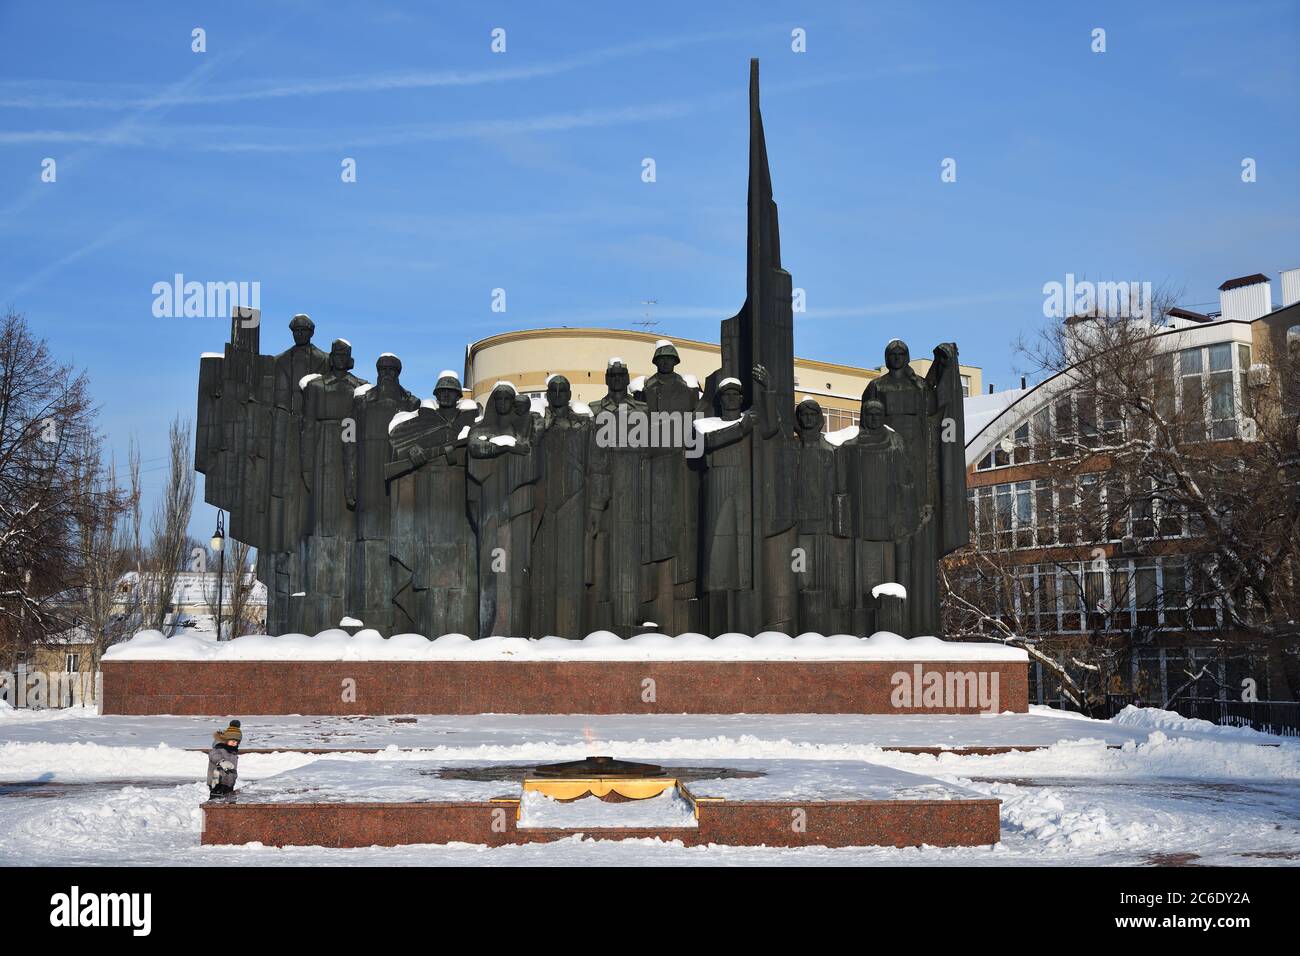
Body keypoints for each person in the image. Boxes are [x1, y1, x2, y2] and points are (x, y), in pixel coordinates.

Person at [206, 720, 242, 800]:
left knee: (228, 801)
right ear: (226, 740)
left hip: (229, 783)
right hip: (217, 782)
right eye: (232, 741)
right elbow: (213, 755)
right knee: (216, 801)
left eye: (236, 742)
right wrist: (221, 761)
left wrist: (234, 776)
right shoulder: (219, 748)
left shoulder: (233, 752)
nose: (234, 743)